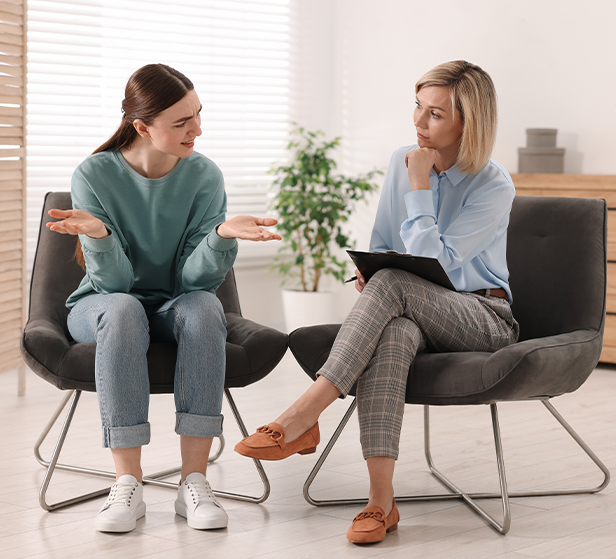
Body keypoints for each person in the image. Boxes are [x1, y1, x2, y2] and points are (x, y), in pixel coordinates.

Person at [234, 60, 520, 544]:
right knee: (393, 332)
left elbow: (441, 264)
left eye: (434, 114)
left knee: (394, 284)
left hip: (482, 315)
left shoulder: (493, 184)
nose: (417, 121)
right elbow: (385, 243)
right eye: (417, 107)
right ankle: (380, 503)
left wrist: (420, 186)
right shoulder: (401, 160)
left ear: (467, 123)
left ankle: (305, 414)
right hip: (412, 310)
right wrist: (367, 276)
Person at [47, 64, 281, 534]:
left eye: (198, 114)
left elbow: (193, 283)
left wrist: (218, 236)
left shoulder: (203, 175)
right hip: (102, 306)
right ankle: (126, 483)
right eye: (181, 122)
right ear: (142, 127)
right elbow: (113, 284)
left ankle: (193, 482)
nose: (197, 129)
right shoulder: (94, 174)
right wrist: (100, 233)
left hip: (174, 303)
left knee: (203, 307)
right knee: (125, 307)